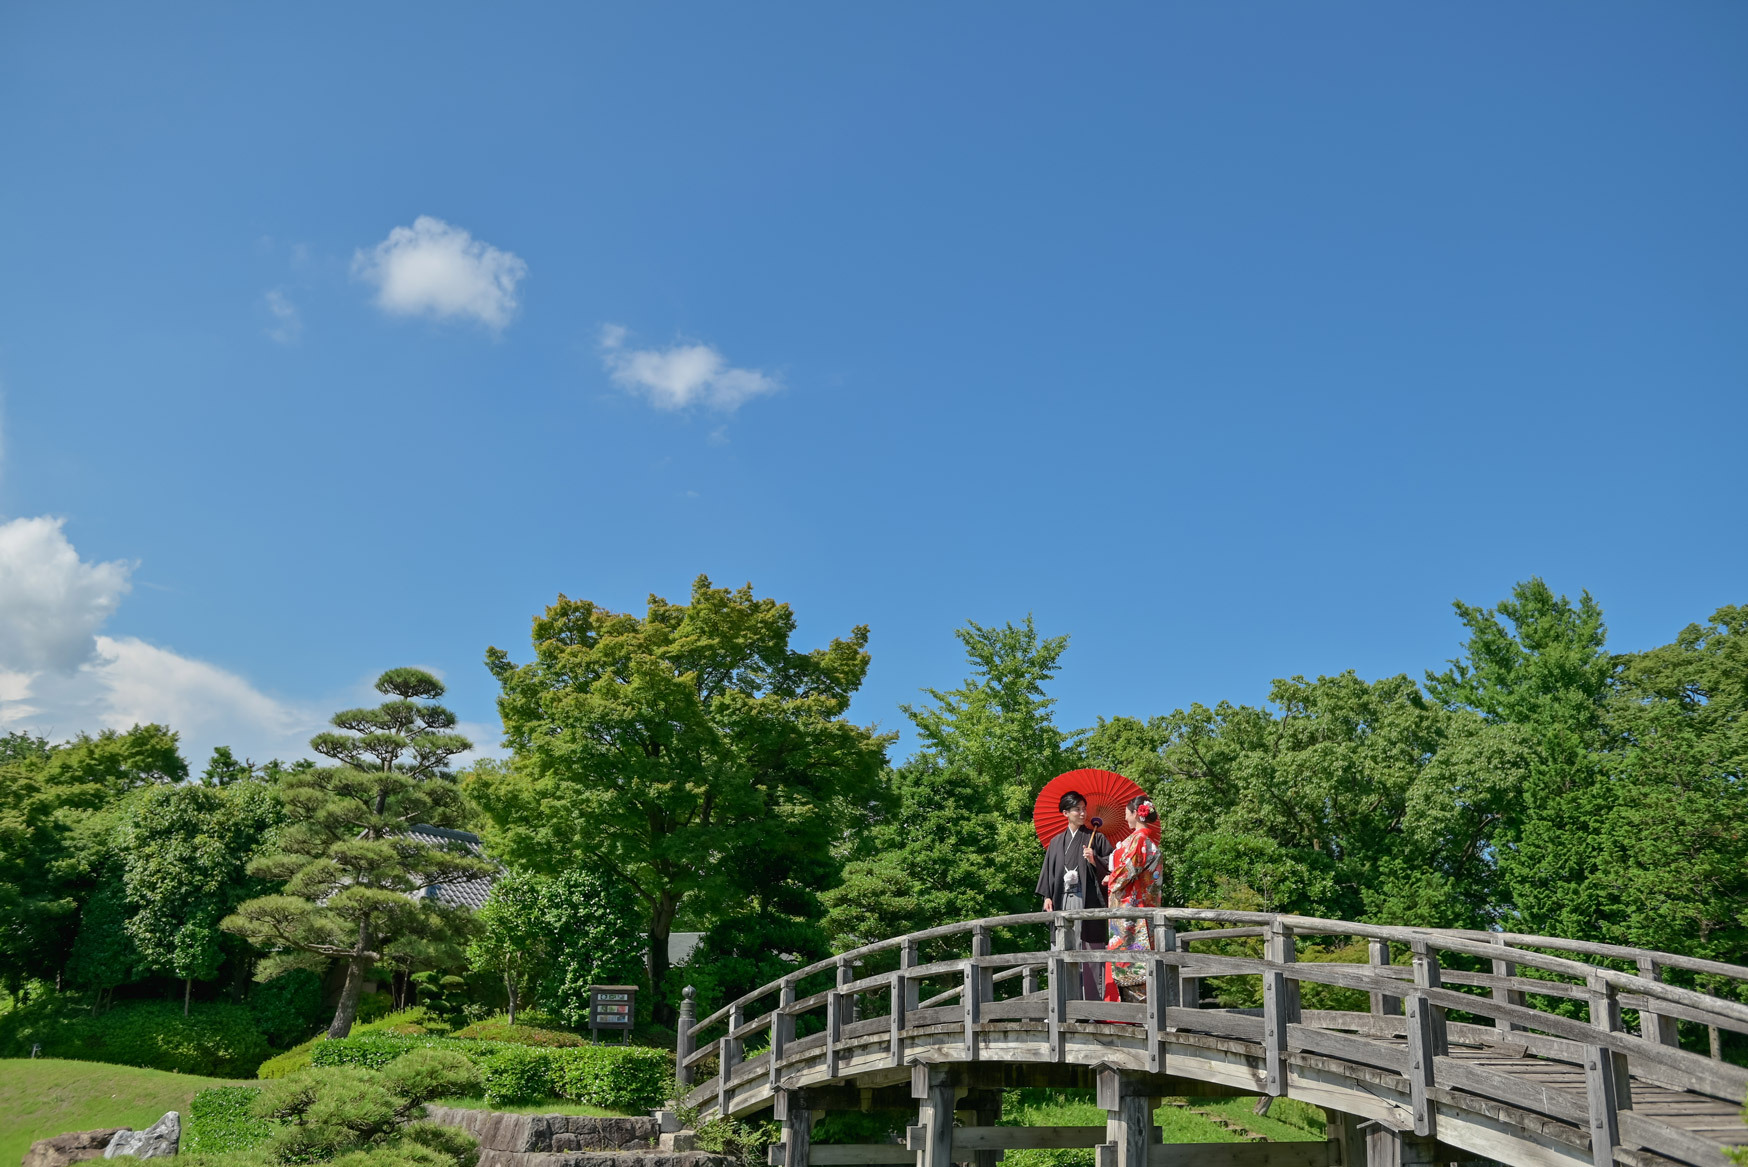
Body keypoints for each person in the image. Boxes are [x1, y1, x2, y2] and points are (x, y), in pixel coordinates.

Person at [1034, 790, 1113, 999]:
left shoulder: (1096, 838)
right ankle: (1064, 1001)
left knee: (1088, 948)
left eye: (1083, 809)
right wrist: (1047, 896)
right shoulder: (1056, 842)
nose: (1082, 813)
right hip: (1061, 899)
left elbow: (1114, 867)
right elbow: (1049, 872)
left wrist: (1095, 858)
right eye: (1077, 809)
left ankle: (1092, 1006)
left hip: (1086, 900)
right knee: (1063, 947)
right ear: (1065, 813)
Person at [1103, 793, 1162, 1000]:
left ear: (1137, 814)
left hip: (1131, 909)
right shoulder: (1149, 841)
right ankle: (1144, 1012)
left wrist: (1111, 879)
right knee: (1144, 959)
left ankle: (1135, 1013)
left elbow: (1127, 870)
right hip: (1146, 907)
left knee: (1130, 960)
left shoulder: (1138, 840)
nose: (1125, 818)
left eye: (1127, 813)